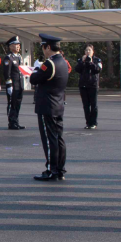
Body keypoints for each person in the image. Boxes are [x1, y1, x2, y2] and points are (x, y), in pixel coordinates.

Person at [30, 33, 69, 181]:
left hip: (47, 106)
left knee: (49, 139)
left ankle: (51, 169)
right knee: (59, 139)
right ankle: (60, 169)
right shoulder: (63, 62)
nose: (43, 50)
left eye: (43, 47)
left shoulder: (50, 63)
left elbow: (34, 79)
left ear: (47, 47)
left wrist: (36, 69)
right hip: (58, 104)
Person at [75, 45, 102, 129]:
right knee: (86, 105)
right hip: (83, 85)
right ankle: (88, 123)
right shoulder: (81, 60)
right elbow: (77, 69)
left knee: (93, 105)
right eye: (86, 50)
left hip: (93, 85)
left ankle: (94, 123)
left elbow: (98, 69)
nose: (88, 52)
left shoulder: (97, 60)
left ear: (93, 51)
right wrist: (82, 62)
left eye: (89, 50)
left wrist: (90, 62)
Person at [2, 36, 25, 130]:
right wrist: (9, 85)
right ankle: (11, 122)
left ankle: (16, 121)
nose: (18, 46)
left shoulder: (19, 57)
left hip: (20, 84)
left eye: (18, 44)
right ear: (10, 46)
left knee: (18, 103)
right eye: (15, 44)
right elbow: (6, 73)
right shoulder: (9, 58)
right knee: (12, 103)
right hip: (13, 85)